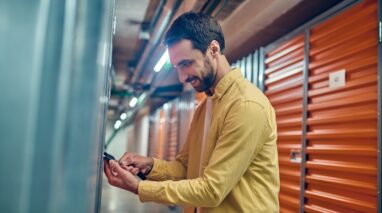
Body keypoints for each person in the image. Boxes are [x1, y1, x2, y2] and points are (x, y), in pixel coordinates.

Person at [104, 12, 280, 213]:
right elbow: (186, 169)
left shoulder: (246, 105)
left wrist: (138, 187)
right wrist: (149, 166)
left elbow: (212, 190)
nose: (181, 77)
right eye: (177, 67)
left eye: (186, 64)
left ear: (213, 49)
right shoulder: (205, 107)